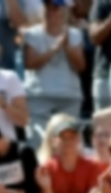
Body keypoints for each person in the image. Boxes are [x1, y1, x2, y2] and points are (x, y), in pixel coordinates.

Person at [22, 0, 85, 149]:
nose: (51, 10)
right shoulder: (32, 34)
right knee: (38, 143)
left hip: (69, 97)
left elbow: (80, 66)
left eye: (56, 7)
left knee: (70, 146)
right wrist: (55, 47)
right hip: (39, 96)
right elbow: (30, 64)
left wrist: (67, 47)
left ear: (64, 11)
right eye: (47, 6)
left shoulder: (75, 34)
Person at [39, 114, 106, 193]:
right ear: (54, 142)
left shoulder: (92, 167)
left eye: (72, 137)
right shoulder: (46, 168)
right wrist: (47, 188)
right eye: (63, 137)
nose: (68, 141)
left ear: (79, 140)